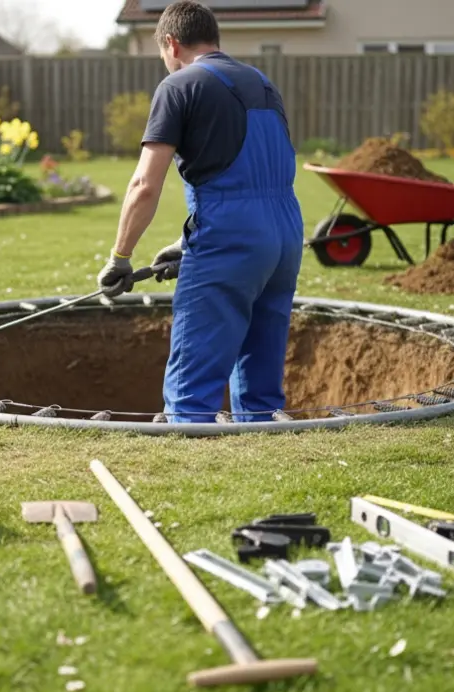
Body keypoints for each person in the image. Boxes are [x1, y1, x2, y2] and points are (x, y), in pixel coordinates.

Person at [96, 1, 304, 424]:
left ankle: (186, 461)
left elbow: (144, 185)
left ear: (171, 43)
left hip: (229, 238)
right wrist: (185, 243)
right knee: (261, 385)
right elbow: (252, 174)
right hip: (285, 235)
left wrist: (120, 257)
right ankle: (261, 463)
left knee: (192, 386)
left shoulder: (179, 86)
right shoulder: (262, 82)